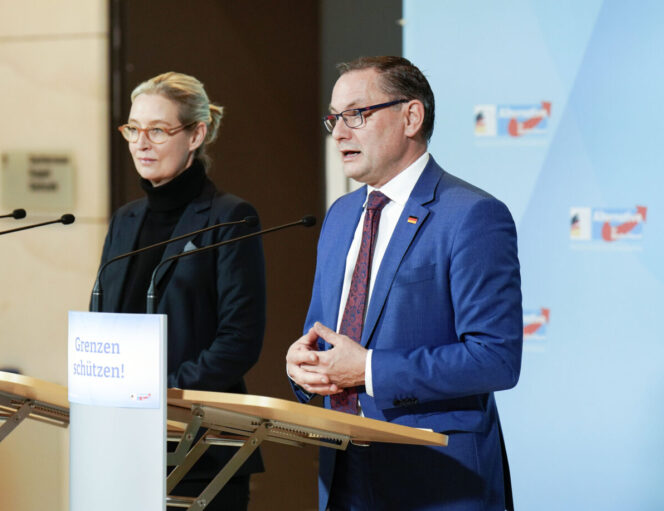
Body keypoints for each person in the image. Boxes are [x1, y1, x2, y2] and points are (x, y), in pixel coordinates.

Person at [286, 56, 522, 511]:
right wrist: (303, 367)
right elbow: (323, 337)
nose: (339, 133)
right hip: (343, 472)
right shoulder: (338, 217)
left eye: (356, 114)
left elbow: (496, 358)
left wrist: (369, 370)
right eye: (333, 118)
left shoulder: (470, 215)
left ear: (411, 116)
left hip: (436, 481)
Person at [97, 72, 265, 510]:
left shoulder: (230, 218)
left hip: (202, 449)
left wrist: (163, 391)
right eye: (133, 129)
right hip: (123, 443)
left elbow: (239, 341)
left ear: (196, 135)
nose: (140, 143)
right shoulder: (125, 220)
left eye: (157, 130)